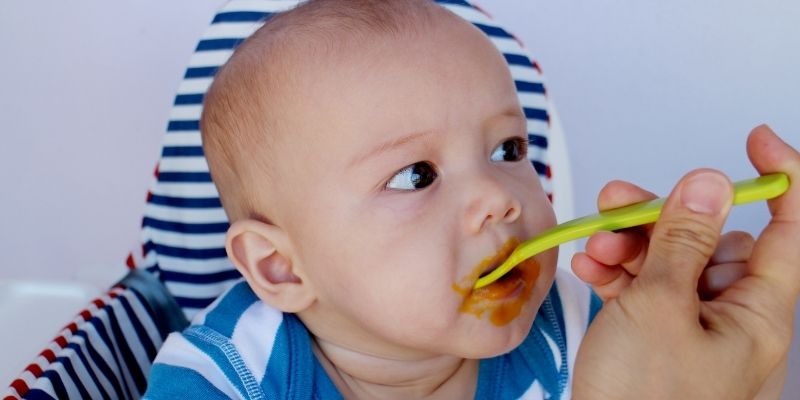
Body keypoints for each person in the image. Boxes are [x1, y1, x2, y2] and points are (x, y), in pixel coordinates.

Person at [144, 1, 799, 398]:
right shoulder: (221, 378)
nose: (499, 198)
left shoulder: (584, 330)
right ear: (281, 267)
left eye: (508, 151)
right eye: (414, 176)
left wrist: (744, 359)